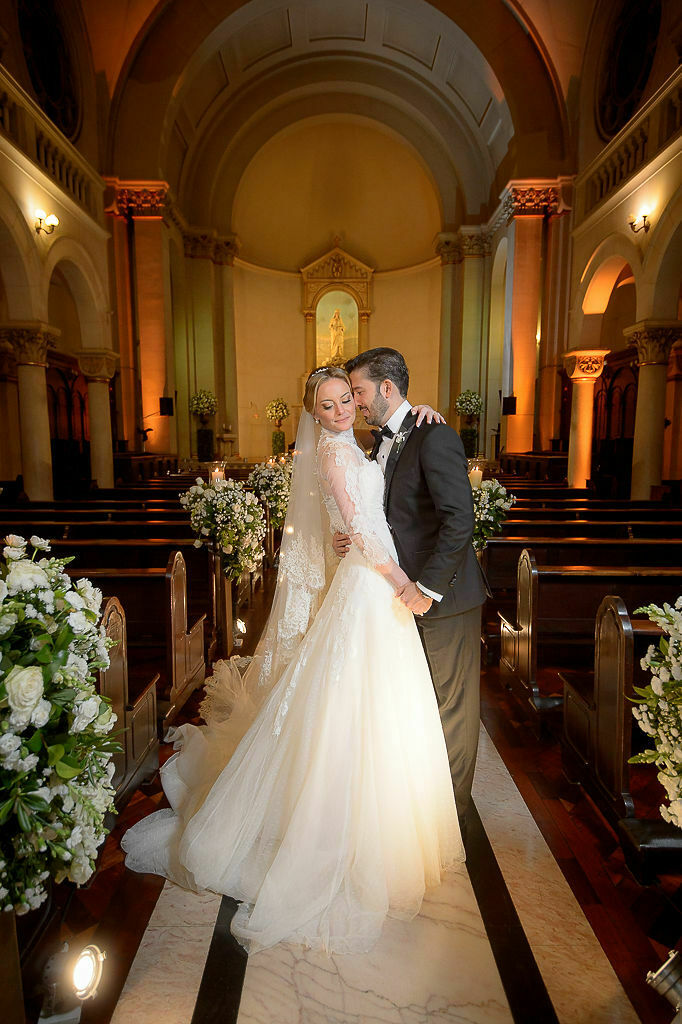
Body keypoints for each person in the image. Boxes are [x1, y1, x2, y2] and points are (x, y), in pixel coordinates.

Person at [122, 366, 463, 955]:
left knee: (382, 704)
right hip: (373, 581)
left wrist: (424, 411)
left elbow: (374, 508)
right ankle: (332, 829)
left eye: (345, 400)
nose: (338, 411)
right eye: (328, 405)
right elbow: (358, 523)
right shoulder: (333, 455)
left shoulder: (367, 442)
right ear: (313, 411)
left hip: (373, 582)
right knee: (343, 701)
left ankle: (384, 824)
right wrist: (399, 578)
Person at [336, 348, 489, 837]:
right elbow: (383, 516)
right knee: (418, 704)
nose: (355, 402)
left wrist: (426, 589)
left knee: (451, 708)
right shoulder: (381, 441)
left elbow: (459, 520)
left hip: (443, 599)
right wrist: (355, 538)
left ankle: (453, 817)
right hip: (399, 596)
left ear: (386, 388)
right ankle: (423, 808)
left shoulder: (435, 434)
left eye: (358, 391)